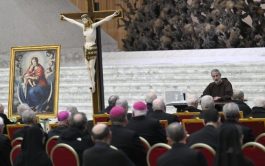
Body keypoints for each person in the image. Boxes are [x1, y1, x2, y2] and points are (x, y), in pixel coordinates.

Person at [61, 11, 120, 93]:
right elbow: (74, 22)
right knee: (87, 68)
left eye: (85, 19)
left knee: (91, 67)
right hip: (85, 47)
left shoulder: (93, 26)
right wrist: (65, 18)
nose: (83, 21)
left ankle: (93, 84)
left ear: (88, 19)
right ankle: (90, 82)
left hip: (92, 46)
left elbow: (105, 20)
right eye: (82, 20)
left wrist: (113, 15)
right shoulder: (83, 27)